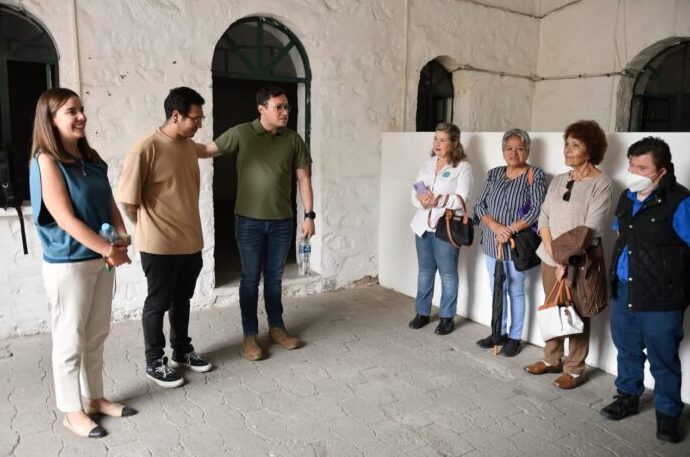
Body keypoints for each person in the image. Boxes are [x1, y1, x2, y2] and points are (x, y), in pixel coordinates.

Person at [29, 88, 136, 439]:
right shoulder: (46, 160)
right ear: (50, 119)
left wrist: (121, 238)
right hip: (69, 263)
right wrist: (108, 249)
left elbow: (108, 202)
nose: (81, 117)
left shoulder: (91, 157)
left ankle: (94, 398)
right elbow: (64, 218)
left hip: (101, 258)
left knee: (96, 334)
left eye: (82, 109)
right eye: (71, 111)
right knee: (69, 339)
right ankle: (71, 411)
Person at [197, 85, 314, 361]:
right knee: (250, 278)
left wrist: (309, 216)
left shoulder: (293, 140)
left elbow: (304, 178)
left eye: (286, 107)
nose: (285, 112)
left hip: (282, 222)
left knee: (274, 278)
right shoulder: (241, 133)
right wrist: (173, 137)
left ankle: (277, 328)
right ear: (262, 109)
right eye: (278, 107)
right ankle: (250, 335)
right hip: (249, 223)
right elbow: (206, 149)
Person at [117, 87, 212, 388]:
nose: (199, 124)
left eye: (201, 118)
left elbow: (211, 149)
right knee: (158, 303)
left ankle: (181, 351)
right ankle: (154, 361)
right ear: (176, 115)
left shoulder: (188, 146)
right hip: (158, 245)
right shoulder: (146, 148)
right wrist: (149, 226)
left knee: (182, 300)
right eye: (195, 119)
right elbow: (128, 202)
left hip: (190, 242)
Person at [600, 137, 689, 443]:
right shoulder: (627, 197)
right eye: (631, 165)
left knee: (664, 359)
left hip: (662, 298)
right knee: (627, 349)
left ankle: (668, 415)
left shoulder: (680, 201)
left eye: (642, 168)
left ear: (662, 171)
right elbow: (620, 235)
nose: (633, 172)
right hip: (624, 290)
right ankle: (627, 396)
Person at [524, 120, 612, 389]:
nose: (567, 150)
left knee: (577, 312)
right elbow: (544, 216)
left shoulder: (602, 183)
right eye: (566, 144)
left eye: (575, 145)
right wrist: (554, 255)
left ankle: (574, 369)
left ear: (591, 150)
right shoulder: (560, 179)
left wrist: (565, 260)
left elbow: (591, 228)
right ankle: (551, 359)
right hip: (551, 257)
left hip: (580, 259)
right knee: (553, 307)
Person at [473, 128, 546, 356]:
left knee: (515, 289)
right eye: (509, 148)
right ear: (503, 151)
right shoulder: (494, 173)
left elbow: (536, 210)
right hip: (492, 241)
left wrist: (510, 230)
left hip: (516, 245)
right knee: (497, 288)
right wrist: (496, 227)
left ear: (527, 151)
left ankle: (514, 337)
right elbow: (479, 205)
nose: (514, 153)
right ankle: (499, 332)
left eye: (519, 148)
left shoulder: (534, 174)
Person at [408, 122, 473, 335]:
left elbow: (462, 198)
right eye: (436, 138)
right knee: (425, 271)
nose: (437, 143)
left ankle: (447, 317)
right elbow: (416, 189)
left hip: (445, 227)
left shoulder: (462, 167)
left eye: (443, 140)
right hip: (422, 226)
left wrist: (437, 200)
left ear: (454, 143)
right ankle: (422, 312)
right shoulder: (428, 164)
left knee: (447, 274)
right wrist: (422, 200)